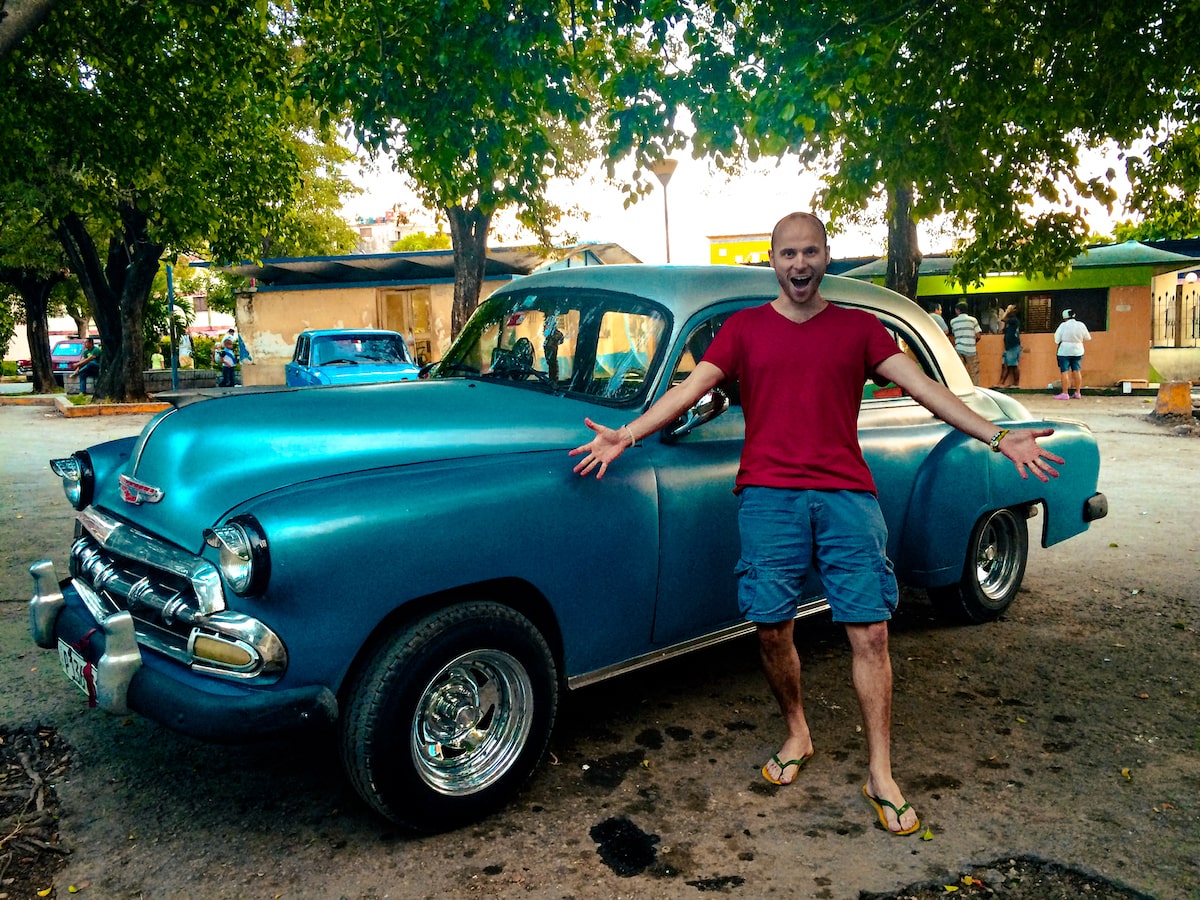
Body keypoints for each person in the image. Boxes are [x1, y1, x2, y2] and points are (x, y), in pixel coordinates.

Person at [570, 212, 1064, 837]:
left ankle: (881, 772)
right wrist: (628, 435)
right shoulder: (743, 330)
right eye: (787, 254)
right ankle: (798, 732)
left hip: (845, 496)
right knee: (772, 629)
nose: (799, 265)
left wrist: (998, 436)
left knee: (872, 633)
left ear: (826, 256)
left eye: (810, 253)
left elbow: (925, 389)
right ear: (772, 260)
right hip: (768, 498)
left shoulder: (858, 328)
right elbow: (690, 389)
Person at [1053, 309, 1090, 400]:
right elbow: (1087, 337)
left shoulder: (1063, 326)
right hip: (1078, 350)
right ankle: (1077, 392)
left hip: (1064, 351)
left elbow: (1057, 339)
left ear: (1064, 317)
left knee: (1064, 371)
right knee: (1077, 370)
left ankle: (1065, 393)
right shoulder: (1081, 325)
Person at [950, 301, 982, 385]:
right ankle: (976, 389)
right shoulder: (973, 320)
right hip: (971, 349)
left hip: (958, 349)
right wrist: (972, 342)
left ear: (957, 310)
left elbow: (954, 334)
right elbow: (978, 336)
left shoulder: (953, 322)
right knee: (974, 372)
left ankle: (960, 388)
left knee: (959, 371)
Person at [997, 304, 1022, 388]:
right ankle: (1001, 383)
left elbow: (1002, 319)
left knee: (1013, 365)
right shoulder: (1010, 322)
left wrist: (1007, 311)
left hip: (1013, 346)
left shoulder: (1014, 320)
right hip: (1008, 346)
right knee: (1005, 366)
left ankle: (1016, 384)